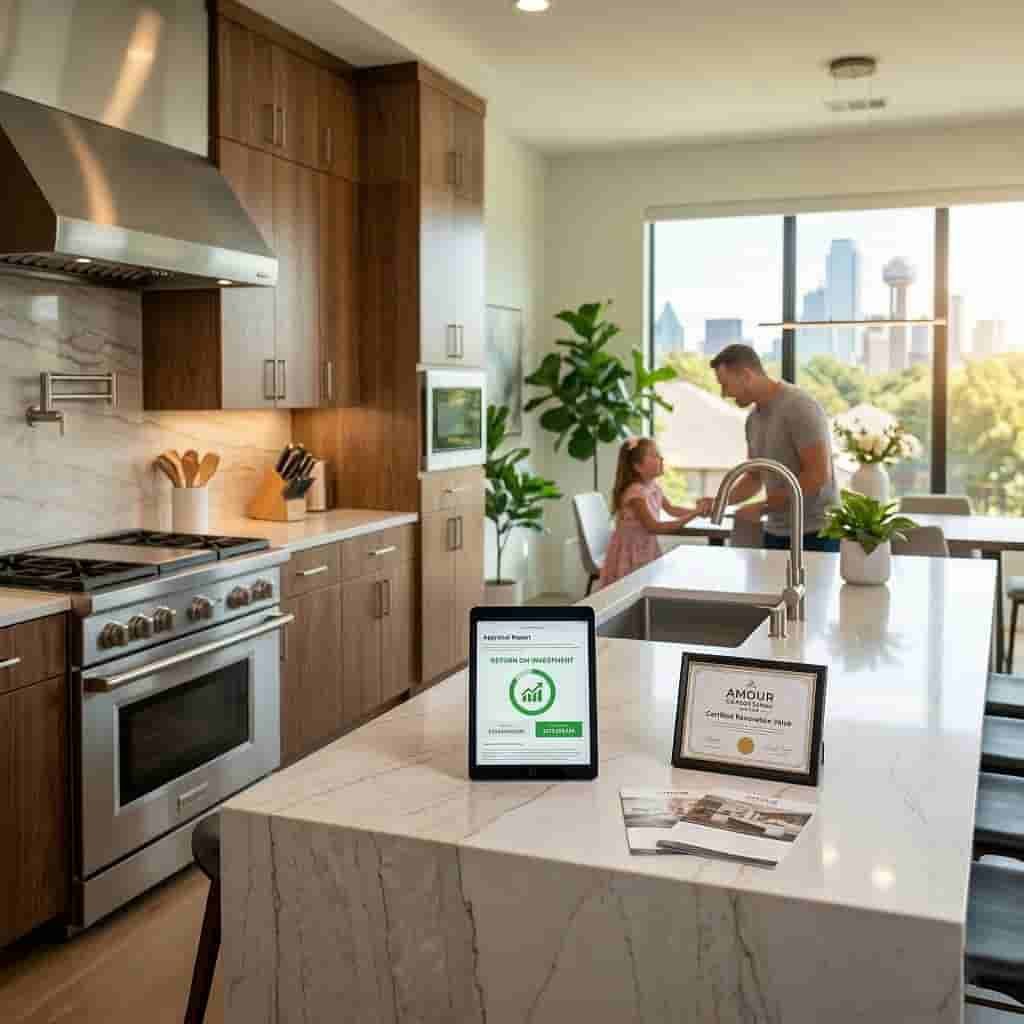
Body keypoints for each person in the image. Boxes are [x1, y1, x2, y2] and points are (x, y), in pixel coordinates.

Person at [696, 344, 840, 552]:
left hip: (816, 531)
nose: (724, 394)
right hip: (776, 531)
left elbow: (818, 475)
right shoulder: (753, 420)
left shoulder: (799, 406)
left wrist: (764, 507)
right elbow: (754, 477)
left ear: (746, 375)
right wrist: (720, 501)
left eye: (725, 385)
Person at [599, 437, 699, 589]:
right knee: (628, 591)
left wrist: (697, 511)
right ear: (638, 467)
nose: (661, 458)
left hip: (645, 548)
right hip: (631, 552)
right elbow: (654, 527)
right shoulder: (636, 493)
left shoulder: (653, 487)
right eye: (654, 455)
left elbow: (672, 509)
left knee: (642, 588)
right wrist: (693, 515)